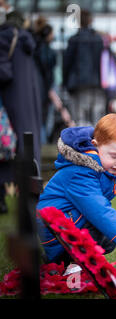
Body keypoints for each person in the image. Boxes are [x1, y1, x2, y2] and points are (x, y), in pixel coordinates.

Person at [36, 113, 116, 264]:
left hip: (69, 222)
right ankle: (71, 263)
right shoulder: (80, 171)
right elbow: (97, 208)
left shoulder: (100, 168)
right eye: (114, 156)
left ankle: (70, 261)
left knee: (108, 239)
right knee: (103, 232)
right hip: (55, 230)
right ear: (95, 145)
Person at [0, 3, 41, 214]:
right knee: (26, 147)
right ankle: (30, 192)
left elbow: (4, 73)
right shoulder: (27, 40)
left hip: (9, 102)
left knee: (6, 147)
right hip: (28, 104)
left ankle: (2, 198)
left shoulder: (5, 37)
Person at [33, 17, 74, 144]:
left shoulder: (34, 48)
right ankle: (43, 143)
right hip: (47, 88)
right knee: (46, 120)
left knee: (38, 119)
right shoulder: (48, 52)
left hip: (37, 87)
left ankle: (40, 143)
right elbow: (49, 73)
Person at [63, 9, 105, 127]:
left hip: (78, 84)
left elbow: (67, 63)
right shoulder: (98, 39)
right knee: (97, 118)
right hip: (97, 83)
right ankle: (97, 143)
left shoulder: (74, 40)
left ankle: (83, 143)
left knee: (80, 118)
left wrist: (65, 82)